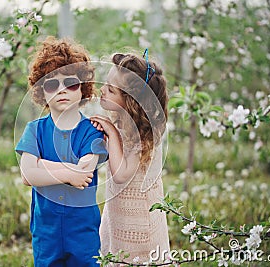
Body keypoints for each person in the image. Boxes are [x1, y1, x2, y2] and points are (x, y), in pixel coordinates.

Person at [15, 36, 108, 267]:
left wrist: (42, 167)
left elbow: (84, 172)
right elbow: (28, 175)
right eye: (51, 84)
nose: (62, 90)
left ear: (83, 88)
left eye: (71, 83)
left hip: (83, 230)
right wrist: (68, 173)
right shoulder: (35, 129)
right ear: (41, 90)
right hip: (46, 230)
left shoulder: (91, 131)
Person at [90, 50, 170, 264]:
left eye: (111, 89)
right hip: (118, 214)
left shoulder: (144, 135)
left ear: (131, 101)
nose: (102, 90)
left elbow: (121, 174)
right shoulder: (120, 123)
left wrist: (112, 135)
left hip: (139, 221)